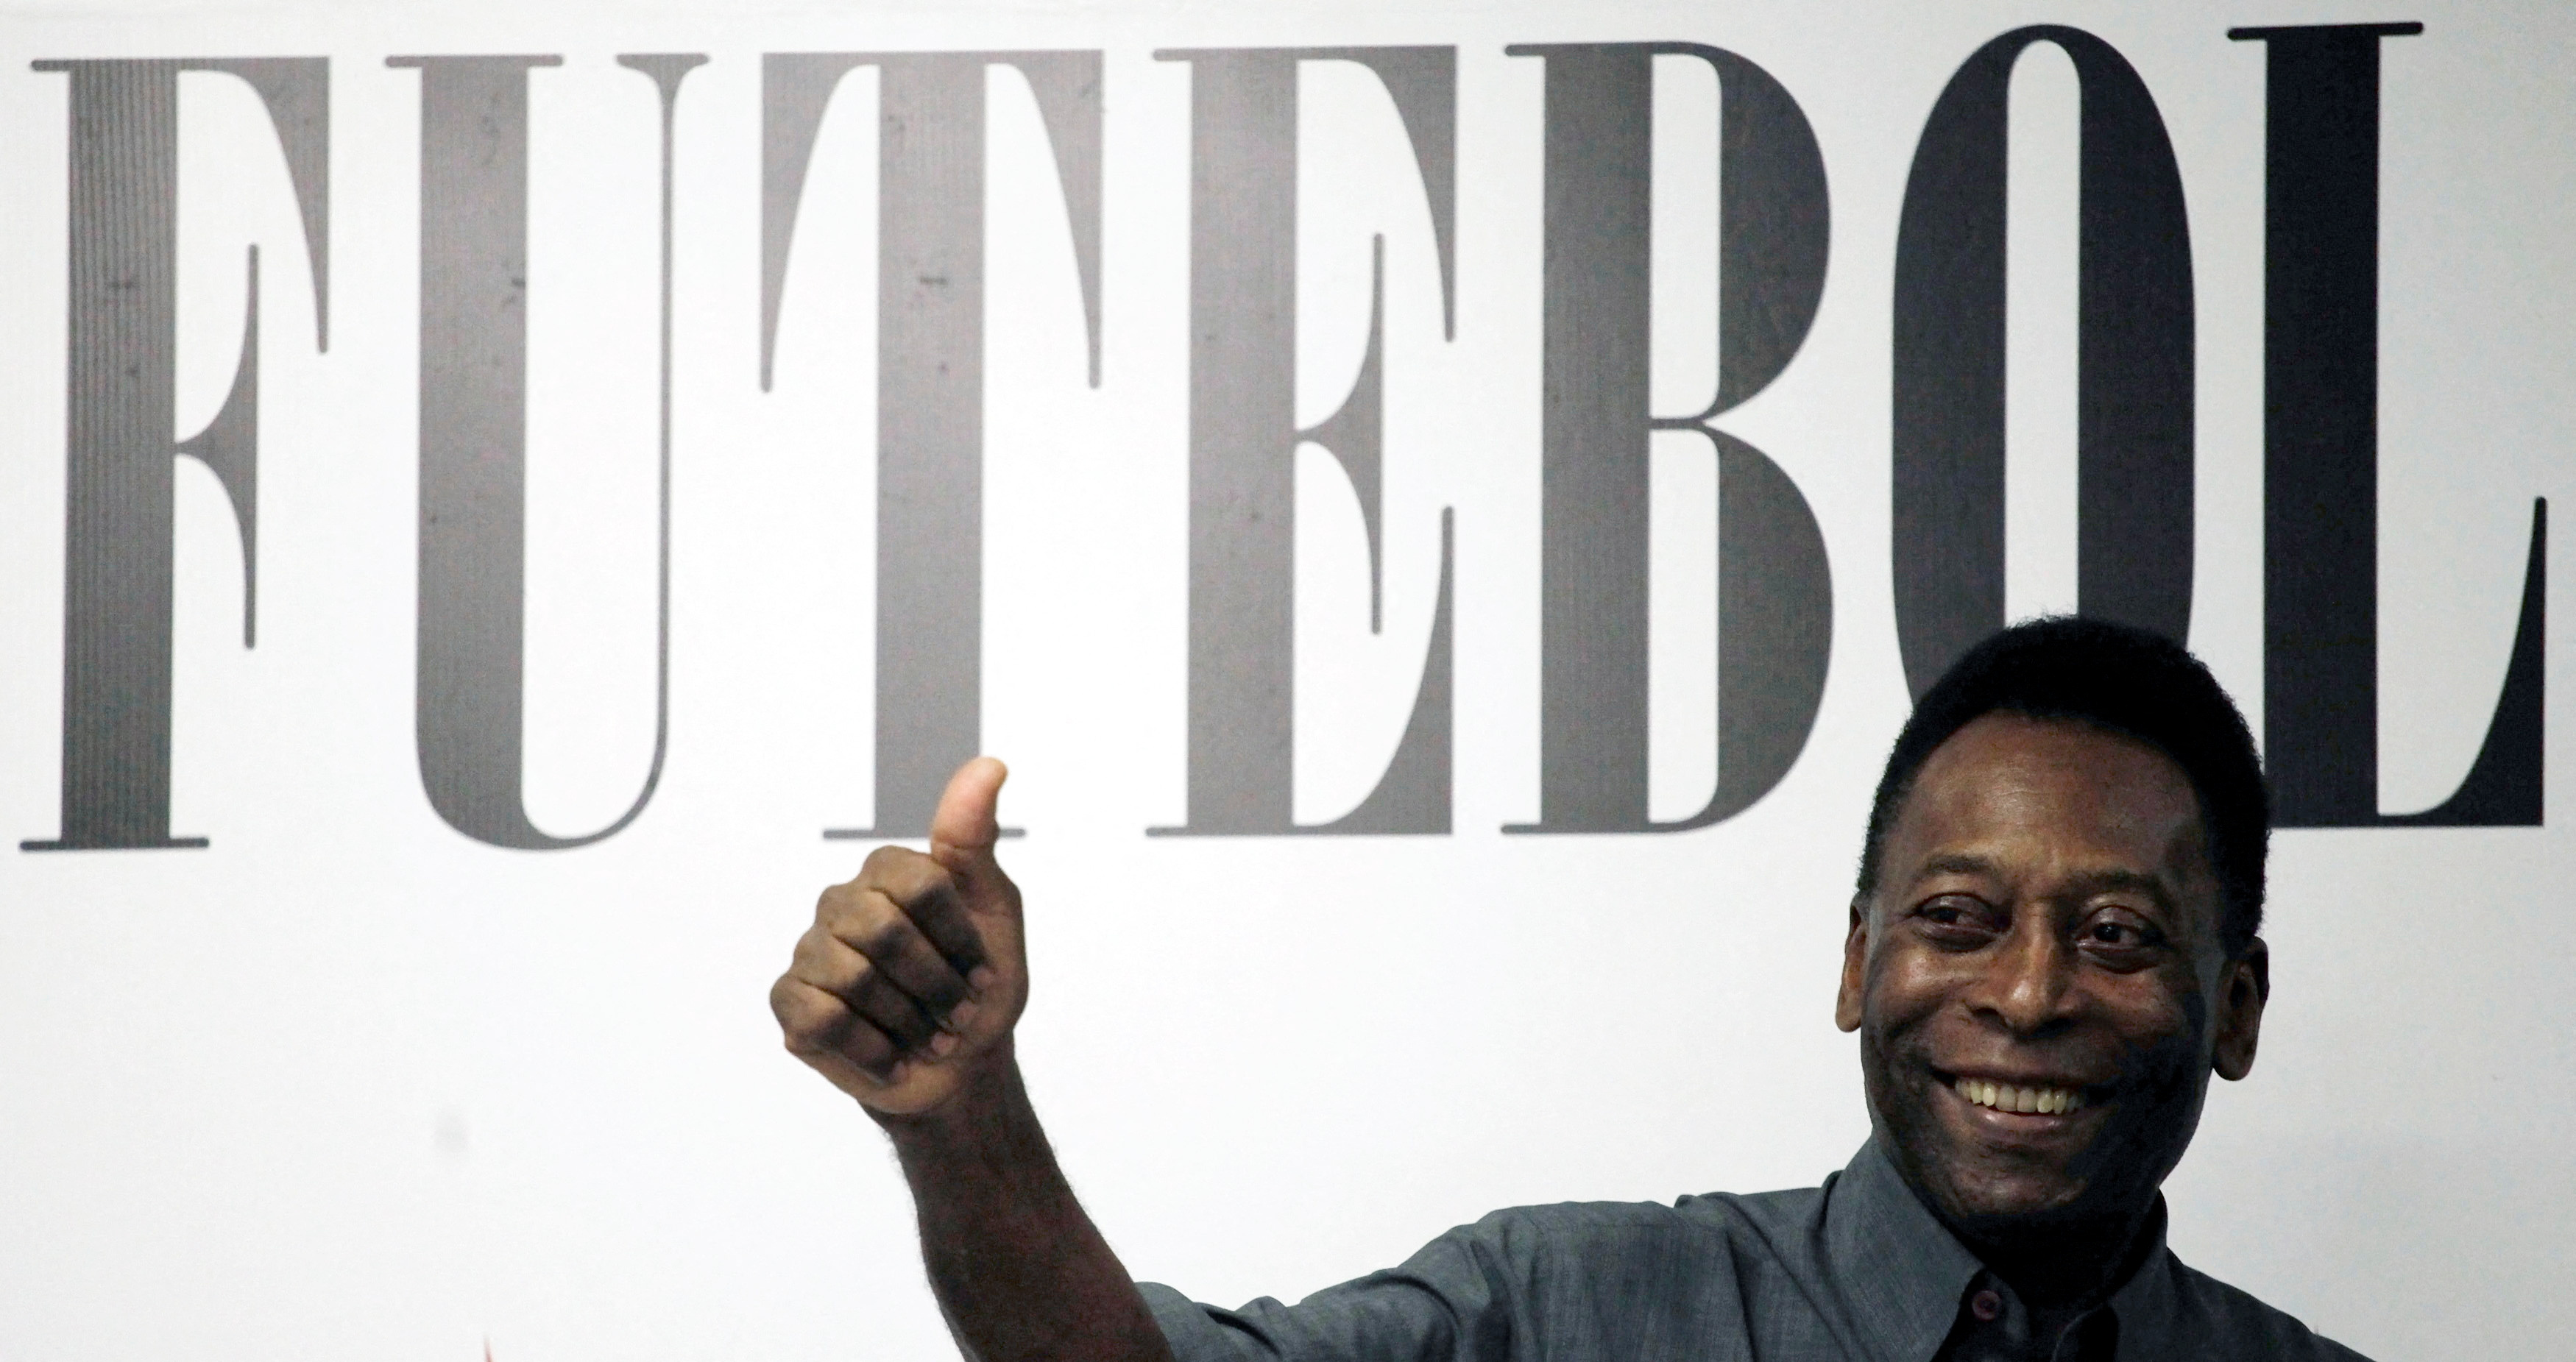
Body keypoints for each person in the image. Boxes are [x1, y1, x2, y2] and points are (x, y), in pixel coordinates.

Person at [768, 617, 2371, 1361]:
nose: (2025, 992)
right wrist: (962, 1114)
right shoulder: (1559, 1309)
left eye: (2114, 935)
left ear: (2233, 1006)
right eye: (1956, 915)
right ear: (1853, 958)